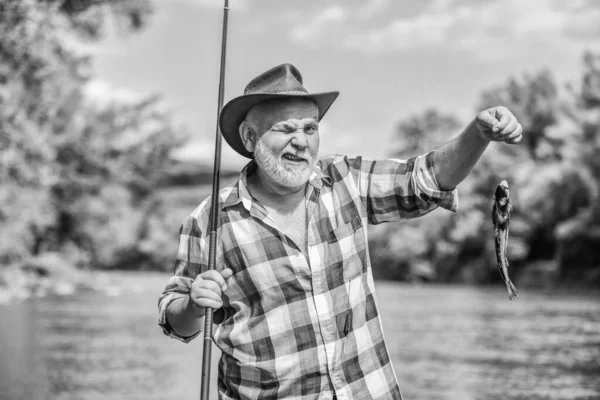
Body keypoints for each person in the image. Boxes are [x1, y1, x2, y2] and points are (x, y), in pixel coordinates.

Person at [158, 63, 523, 399]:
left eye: (310, 128)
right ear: (251, 138)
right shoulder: (209, 220)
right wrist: (192, 304)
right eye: (286, 129)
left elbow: (427, 179)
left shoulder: (346, 180)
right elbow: (176, 322)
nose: (301, 141)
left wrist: (478, 134)